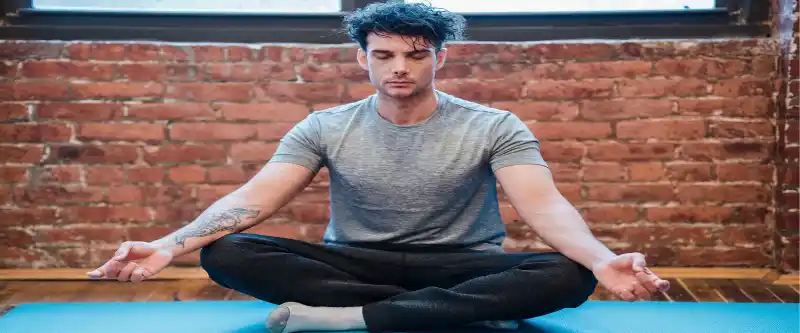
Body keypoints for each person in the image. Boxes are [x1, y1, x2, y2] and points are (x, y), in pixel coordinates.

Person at [86, 2, 670, 333]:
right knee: (227, 253)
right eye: (384, 55)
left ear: (439, 57)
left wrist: (600, 258)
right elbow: (258, 196)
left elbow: (543, 206)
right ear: (361, 57)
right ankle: (431, 316)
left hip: (461, 263)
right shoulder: (325, 125)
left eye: (416, 56)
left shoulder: (494, 125)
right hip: (356, 259)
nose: (399, 69)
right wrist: (169, 244)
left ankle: (352, 319)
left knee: (569, 275)